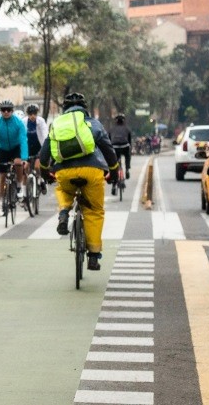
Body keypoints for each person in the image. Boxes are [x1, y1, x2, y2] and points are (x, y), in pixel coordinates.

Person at [38, 92, 120, 271]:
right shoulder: (93, 123)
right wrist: (113, 171)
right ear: (85, 107)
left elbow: (44, 154)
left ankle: (64, 212)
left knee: (63, 190)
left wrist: (45, 172)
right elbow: (108, 148)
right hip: (92, 171)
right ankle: (93, 255)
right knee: (94, 211)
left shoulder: (57, 125)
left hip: (64, 172)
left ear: (64, 109)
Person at [0, 99, 27, 214]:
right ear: (0, 111)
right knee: (3, 176)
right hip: (3, 149)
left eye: (8, 110)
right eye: (3, 110)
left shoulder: (18, 122)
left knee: (17, 163)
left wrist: (24, 158)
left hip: (16, 147)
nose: (6, 112)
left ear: (12, 111)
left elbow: (23, 140)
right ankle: (3, 202)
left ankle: (19, 186)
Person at [108, 113, 133, 194]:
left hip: (114, 147)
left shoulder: (111, 129)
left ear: (116, 121)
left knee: (114, 165)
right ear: (123, 121)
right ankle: (127, 170)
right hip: (125, 146)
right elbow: (129, 142)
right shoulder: (127, 129)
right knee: (127, 156)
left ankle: (114, 186)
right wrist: (130, 149)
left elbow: (108, 141)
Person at [25, 104, 48, 174]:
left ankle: (40, 179)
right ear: (27, 114)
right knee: (25, 167)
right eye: (30, 114)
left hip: (39, 147)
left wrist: (45, 146)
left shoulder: (41, 121)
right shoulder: (23, 122)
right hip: (28, 148)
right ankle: (27, 182)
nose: (32, 116)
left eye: (34, 113)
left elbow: (45, 134)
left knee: (37, 167)